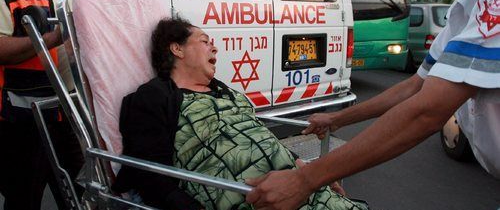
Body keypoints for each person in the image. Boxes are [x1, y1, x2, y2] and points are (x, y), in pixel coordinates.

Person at [245, 0, 500, 208]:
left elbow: (427, 111)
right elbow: (415, 86)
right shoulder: (470, 3)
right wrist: (338, 119)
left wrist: (305, 179)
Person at [113, 17, 368, 210]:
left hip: (297, 186)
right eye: (204, 42)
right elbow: (150, 174)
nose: (215, 49)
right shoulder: (154, 96)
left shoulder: (228, 93)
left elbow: (259, 135)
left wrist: (309, 172)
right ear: (177, 50)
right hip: (253, 199)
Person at [0, 0, 88, 210]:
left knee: (79, 197)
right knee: (24, 199)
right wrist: (55, 35)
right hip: (22, 120)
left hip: (66, 114)